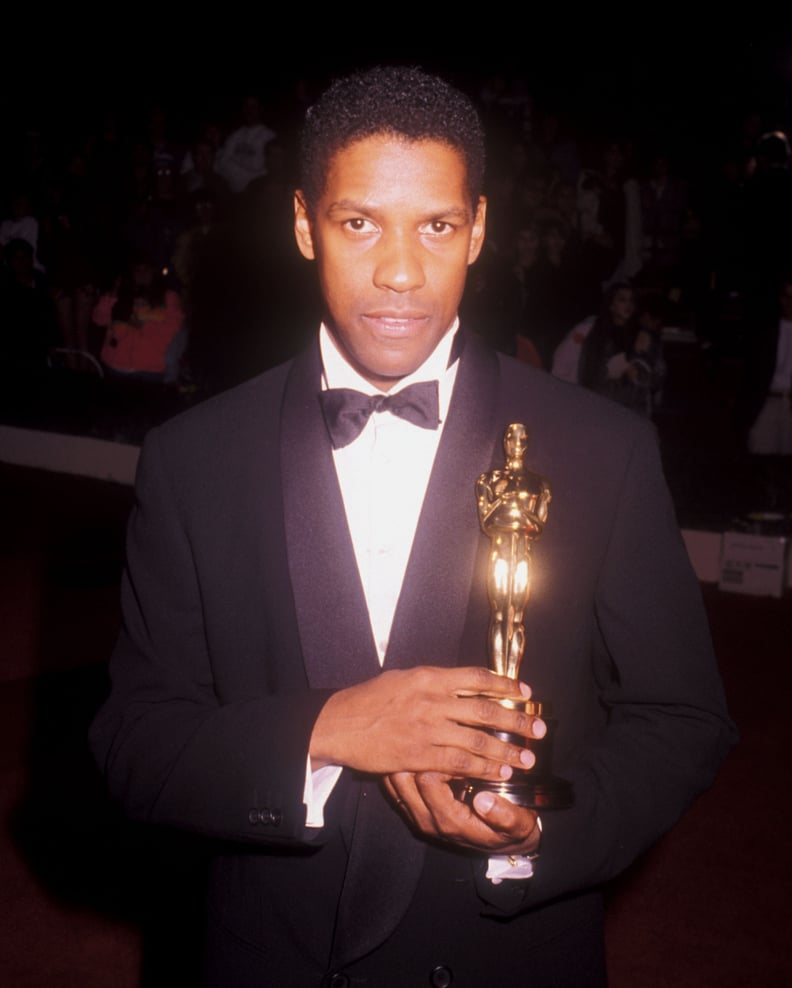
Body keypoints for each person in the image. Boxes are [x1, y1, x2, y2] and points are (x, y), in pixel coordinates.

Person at [90, 67, 735, 987]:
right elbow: (134, 741)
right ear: (305, 224)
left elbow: (684, 714)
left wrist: (544, 831)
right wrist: (327, 729)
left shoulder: (606, 449)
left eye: (435, 226)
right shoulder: (193, 457)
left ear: (479, 228)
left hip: (504, 953)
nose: (399, 272)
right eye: (360, 223)